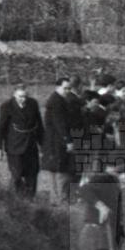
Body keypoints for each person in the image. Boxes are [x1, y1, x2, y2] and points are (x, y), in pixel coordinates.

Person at [0, 83, 44, 196]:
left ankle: (30, 199)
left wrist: (43, 144)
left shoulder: (33, 104)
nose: (23, 99)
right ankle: (16, 199)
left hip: (31, 146)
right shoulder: (6, 106)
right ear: (14, 95)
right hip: (14, 147)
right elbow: (0, 128)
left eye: (25, 96)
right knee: (17, 175)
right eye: (20, 96)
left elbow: (39, 125)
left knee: (32, 175)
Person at [43, 75, 83, 204]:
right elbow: (59, 123)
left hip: (55, 140)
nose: (67, 91)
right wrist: (68, 141)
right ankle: (61, 199)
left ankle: (56, 199)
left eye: (69, 88)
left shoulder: (58, 99)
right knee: (61, 169)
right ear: (57, 87)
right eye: (65, 88)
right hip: (57, 141)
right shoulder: (57, 102)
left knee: (55, 169)